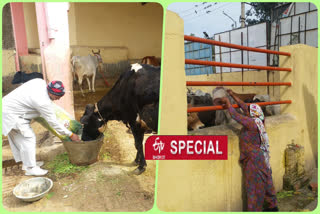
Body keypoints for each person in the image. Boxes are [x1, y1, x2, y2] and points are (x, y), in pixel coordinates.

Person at [2, 79, 80, 176]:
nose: (58, 99)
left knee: (21, 140)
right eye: (58, 96)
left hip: (8, 107)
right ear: (51, 93)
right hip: (11, 114)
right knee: (28, 138)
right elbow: (53, 123)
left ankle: (27, 165)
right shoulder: (43, 102)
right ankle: (31, 168)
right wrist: (71, 134)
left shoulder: (40, 82)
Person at [220, 89, 278, 212]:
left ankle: (255, 210)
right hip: (261, 157)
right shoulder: (259, 120)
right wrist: (233, 95)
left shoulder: (251, 123)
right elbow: (245, 107)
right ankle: (272, 206)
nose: (246, 111)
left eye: (248, 111)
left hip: (253, 161)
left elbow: (235, 115)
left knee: (253, 188)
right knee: (266, 181)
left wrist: (228, 103)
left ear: (251, 114)